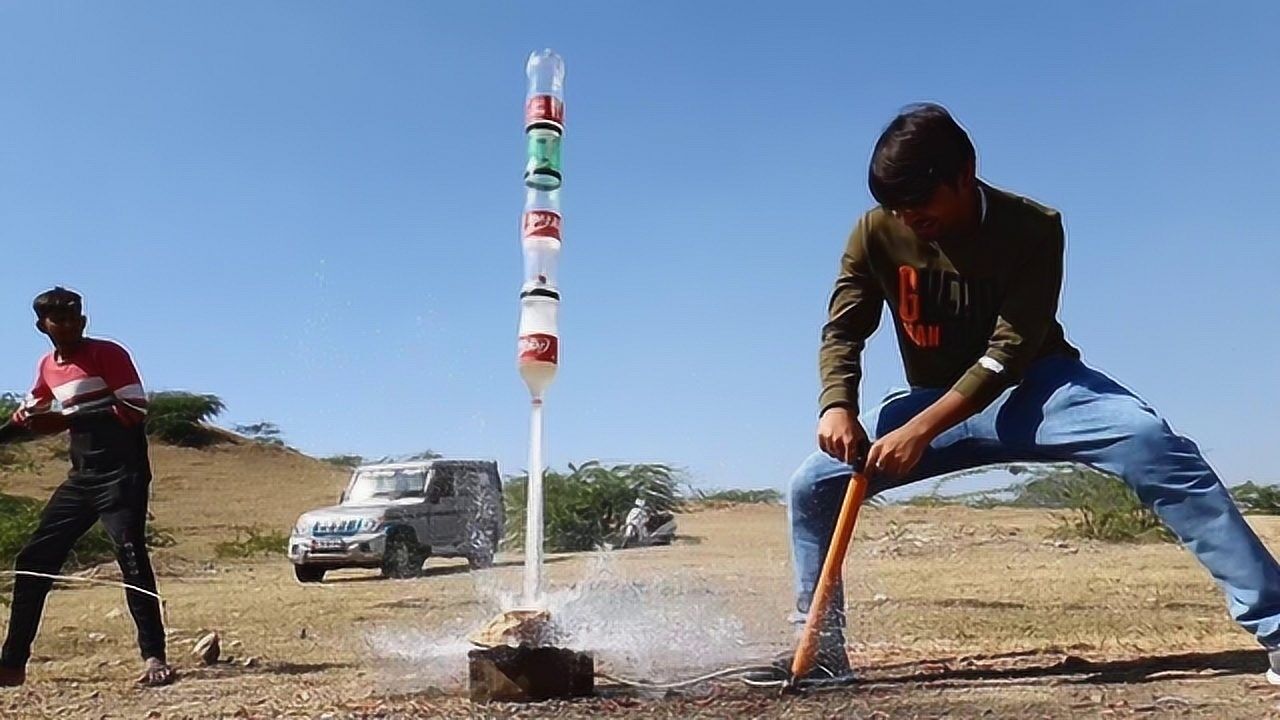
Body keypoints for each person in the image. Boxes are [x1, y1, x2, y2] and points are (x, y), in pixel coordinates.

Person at [775, 104, 1280, 684]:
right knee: (813, 485)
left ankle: (1276, 623)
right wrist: (837, 403)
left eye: (919, 202)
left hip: (1037, 390)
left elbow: (1008, 352)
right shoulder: (875, 232)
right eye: (895, 206)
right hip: (932, 398)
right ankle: (821, 652)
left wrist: (920, 430)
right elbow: (843, 330)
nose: (908, 217)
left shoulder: (1033, 227)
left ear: (964, 176)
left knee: (1149, 442)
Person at [0, 287, 174, 687]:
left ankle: (154, 656)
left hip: (123, 474)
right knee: (34, 560)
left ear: (83, 320)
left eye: (73, 317)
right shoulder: (47, 366)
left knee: (130, 555)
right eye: (57, 319)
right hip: (82, 478)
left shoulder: (107, 353)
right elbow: (29, 416)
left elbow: (133, 408)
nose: (67, 324)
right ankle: (12, 663)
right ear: (42, 326)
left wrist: (66, 420)